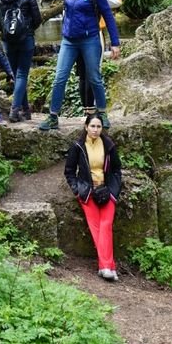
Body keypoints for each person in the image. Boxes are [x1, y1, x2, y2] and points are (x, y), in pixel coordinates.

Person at [28, 0, 121, 131]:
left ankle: (102, 114)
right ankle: (53, 117)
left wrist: (115, 43)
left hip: (90, 40)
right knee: (59, 78)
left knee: (94, 78)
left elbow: (109, 17)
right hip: (69, 41)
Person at [64, 113, 123, 282]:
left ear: (102, 128)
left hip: (107, 190)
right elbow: (69, 172)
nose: (95, 130)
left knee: (106, 224)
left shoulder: (109, 145)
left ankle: (105, 266)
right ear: (86, 127)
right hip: (87, 191)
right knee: (96, 227)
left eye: (98, 127)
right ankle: (108, 266)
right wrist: (77, 190)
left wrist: (113, 190)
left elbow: (117, 170)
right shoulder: (78, 146)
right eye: (92, 126)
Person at [74, 0, 122, 115]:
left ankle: (86, 110)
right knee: (93, 74)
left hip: (76, 37)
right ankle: (93, 111)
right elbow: (117, 1)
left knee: (83, 75)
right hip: (95, 35)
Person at [0, 0, 41, 122]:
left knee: (16, 74)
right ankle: (15, 110)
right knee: (22, 73)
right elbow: (37, 20)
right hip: (26, 39)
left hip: (8, 41)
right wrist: (28, 29)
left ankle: (25, 111)